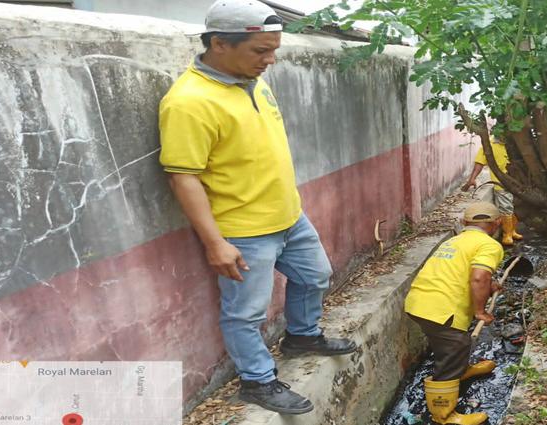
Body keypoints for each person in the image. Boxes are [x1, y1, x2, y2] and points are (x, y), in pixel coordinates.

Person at [158, 0, 356, 415]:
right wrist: (215, 243)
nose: (270, 60)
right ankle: (257, 380)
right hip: (243, 228)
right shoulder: (189, 102)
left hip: (288, 216)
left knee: (316, 276)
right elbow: (184, 177)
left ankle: (303, 335)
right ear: (219, 44)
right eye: (260, 51)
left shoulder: (253, 80)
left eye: (273, 50)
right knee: (246, 313)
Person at [404, 202, 506, 425]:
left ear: (465, 223)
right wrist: (480, 311)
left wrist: (491, 285)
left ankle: (460, 371)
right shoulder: (489, 245)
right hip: (441, 308)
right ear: (497, 223)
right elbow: (478, 277)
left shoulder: (455, 241)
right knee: (454, 348)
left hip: (419, 302)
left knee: (454, 343)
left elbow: (463, 273)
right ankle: (443, 415)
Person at [461, 138, 523, 246]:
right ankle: (507, 234)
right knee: (506, 208)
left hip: (517, 183)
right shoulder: (489, 144)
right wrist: (472, 179)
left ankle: (512, 231)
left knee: (510, 208)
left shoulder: (514, 142)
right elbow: (479, 163)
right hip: (501, 183)